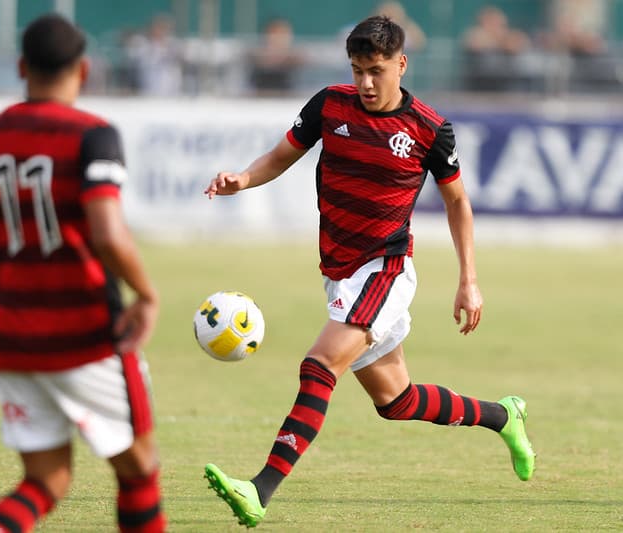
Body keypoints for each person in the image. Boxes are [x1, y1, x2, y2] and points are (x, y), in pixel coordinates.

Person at [202, 15, 535, 528]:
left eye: (376, 70)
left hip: (384, 270)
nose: (366, 83)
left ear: (401, 64)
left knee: (319, 365)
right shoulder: (329, 105)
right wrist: (242, 180)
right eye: (358, 70)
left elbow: (458, 202)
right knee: (396, 400)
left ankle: (259, 489)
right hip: (339, 272)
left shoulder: (428, 129)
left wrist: (468, 280)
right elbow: (281, 156)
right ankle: (503, 416)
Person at [0, 14, 166, 533]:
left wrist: (18, 267)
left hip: (10, 336)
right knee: (139, 467)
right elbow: (108, 233)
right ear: (83, 70)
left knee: (46, 480)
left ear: (21, 67)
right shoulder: (93, 135)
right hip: (85, 333)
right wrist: (147, 293)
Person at [461, 5, 531, 91]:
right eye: (497, 23)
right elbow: (475, 43)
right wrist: (500, 41)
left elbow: (519, 44)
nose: (500, 27)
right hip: (480, 85)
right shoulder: (475, 34)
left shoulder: (505, 37)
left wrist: (505, 41)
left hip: (505, 85)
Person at [247, 18, 305, 95]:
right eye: (275, 34)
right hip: (260, 98)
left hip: (288, 98)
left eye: (282, 35)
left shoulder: (296, 59)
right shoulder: (255, 57)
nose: (278, 39)